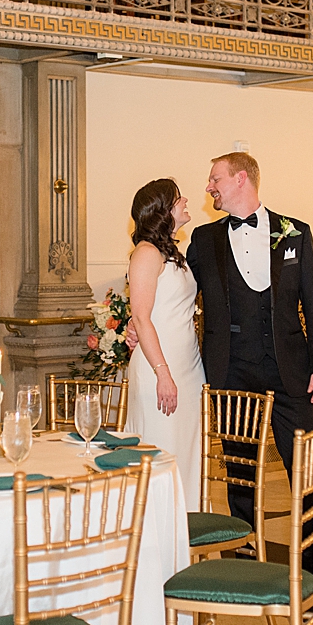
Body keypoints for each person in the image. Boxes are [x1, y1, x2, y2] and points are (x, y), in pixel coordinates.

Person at [186, 152, 313, 586]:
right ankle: (245, 549)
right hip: (231, 370)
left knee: (305, 468)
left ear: (241, 179)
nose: (209, 186)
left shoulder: (296, 233)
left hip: (291, 370)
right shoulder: (203, 240)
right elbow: (175, 290)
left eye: (215, 178)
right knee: (239, 469)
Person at [124, 178, 205, 508]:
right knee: (161, 456)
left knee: (187, 455)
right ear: (161, 210)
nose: (185, 200)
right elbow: (142, 317)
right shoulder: (145, 253)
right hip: (161, 370)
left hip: (188, 368)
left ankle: (187, 536)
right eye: (177, 198)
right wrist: (163, 373)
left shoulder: (173, 253)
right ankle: (155, 545)